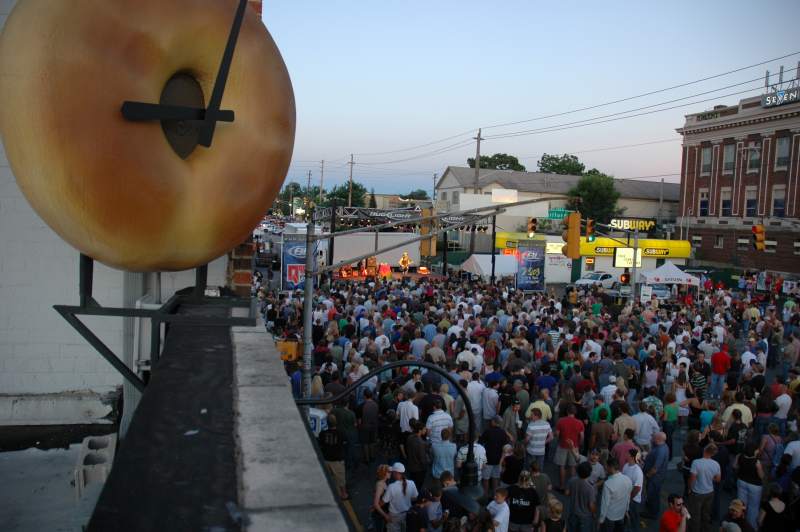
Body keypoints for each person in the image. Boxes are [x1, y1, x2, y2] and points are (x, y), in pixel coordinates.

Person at [687, 443, 721, 532]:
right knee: (706, 514)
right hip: (710, 492)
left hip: (697, 492)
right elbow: (718, 479)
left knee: (695, 515)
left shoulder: (696, 462)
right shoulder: (716, 464)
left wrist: (689, 488)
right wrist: (709, 477)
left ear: (705, 450)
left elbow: (692, 478)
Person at [734, 441, 764, 530]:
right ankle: (751, 527)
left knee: (741, 505)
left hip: (741, 482)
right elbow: (761, 476)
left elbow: (734, 466)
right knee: (753, 508)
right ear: (754, 450)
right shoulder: (757, 462)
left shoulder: (740, 456)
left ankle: (739, 525)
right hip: (755, 486)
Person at [318, 414, 349, 500]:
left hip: (326, 459)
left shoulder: (322, 434)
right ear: (336, 423)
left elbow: (320, 444)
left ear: (327, 423)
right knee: (341, 479)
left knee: (328, 479)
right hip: (337, 460)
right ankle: (344, 494)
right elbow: (346, 442)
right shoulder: (341, 433)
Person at [554, 404, 584, 491]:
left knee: (562, 466)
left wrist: (559, 438)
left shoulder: (561, 421)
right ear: (575, 412)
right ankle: (572, 487)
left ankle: (562, 486)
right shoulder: (579, 422)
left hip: (562, 445)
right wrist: (579, 445)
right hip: (574, 446)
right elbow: (582, 437)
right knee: (573, 466)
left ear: (567, 411)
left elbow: (557, 434)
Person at [598, 456, 632, 532]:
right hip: (621, 514)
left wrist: (601, 520)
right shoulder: (628, 479)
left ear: (611, 467)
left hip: (610, 516)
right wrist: (626, 510)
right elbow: (628, 497)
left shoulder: (608, 484)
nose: (605, 468)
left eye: (606, 466)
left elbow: (605, 504)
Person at [382, 463, 419, 532]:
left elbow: (383, 502)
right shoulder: (412, 483)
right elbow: (415, 498)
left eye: (392, 472)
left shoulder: (391, 487)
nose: (392, 473)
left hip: (394, 516)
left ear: (396, 473)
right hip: (407, 514)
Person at [643, 432, 670, 518]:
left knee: (653, 494)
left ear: (658, 439)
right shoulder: (662, 446)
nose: (651, 438)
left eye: (653, 437)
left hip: (655, 478)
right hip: (657, 477)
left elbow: (655, 468)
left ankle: (653, 513)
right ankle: (651, 507)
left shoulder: (660, 451)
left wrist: (648, 475)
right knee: (654, 493)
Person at [565, 461, 595, 532]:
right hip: (585, 516)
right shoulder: (590, 488)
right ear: (589, 473)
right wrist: (594, 513)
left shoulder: (572, 480)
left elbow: (567, 493)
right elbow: (591, 505)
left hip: (573, 512)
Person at [622, 448, 644, 532]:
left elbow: (637, 488)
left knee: (634, 519)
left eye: (627, 454)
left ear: (631, 457)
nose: (625, 455)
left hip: (633, 500)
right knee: (625, 518)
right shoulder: (626, 465)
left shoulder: (637, 471)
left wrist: (629, 498)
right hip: (626, 497)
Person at [371, 464, 391, 532]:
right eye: (389, 472)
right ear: (384, 473)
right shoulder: (380, 485)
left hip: (383, 512)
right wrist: (385, 515)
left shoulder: (384, 482)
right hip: (379, 514)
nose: (390, 473)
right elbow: (376, 504)